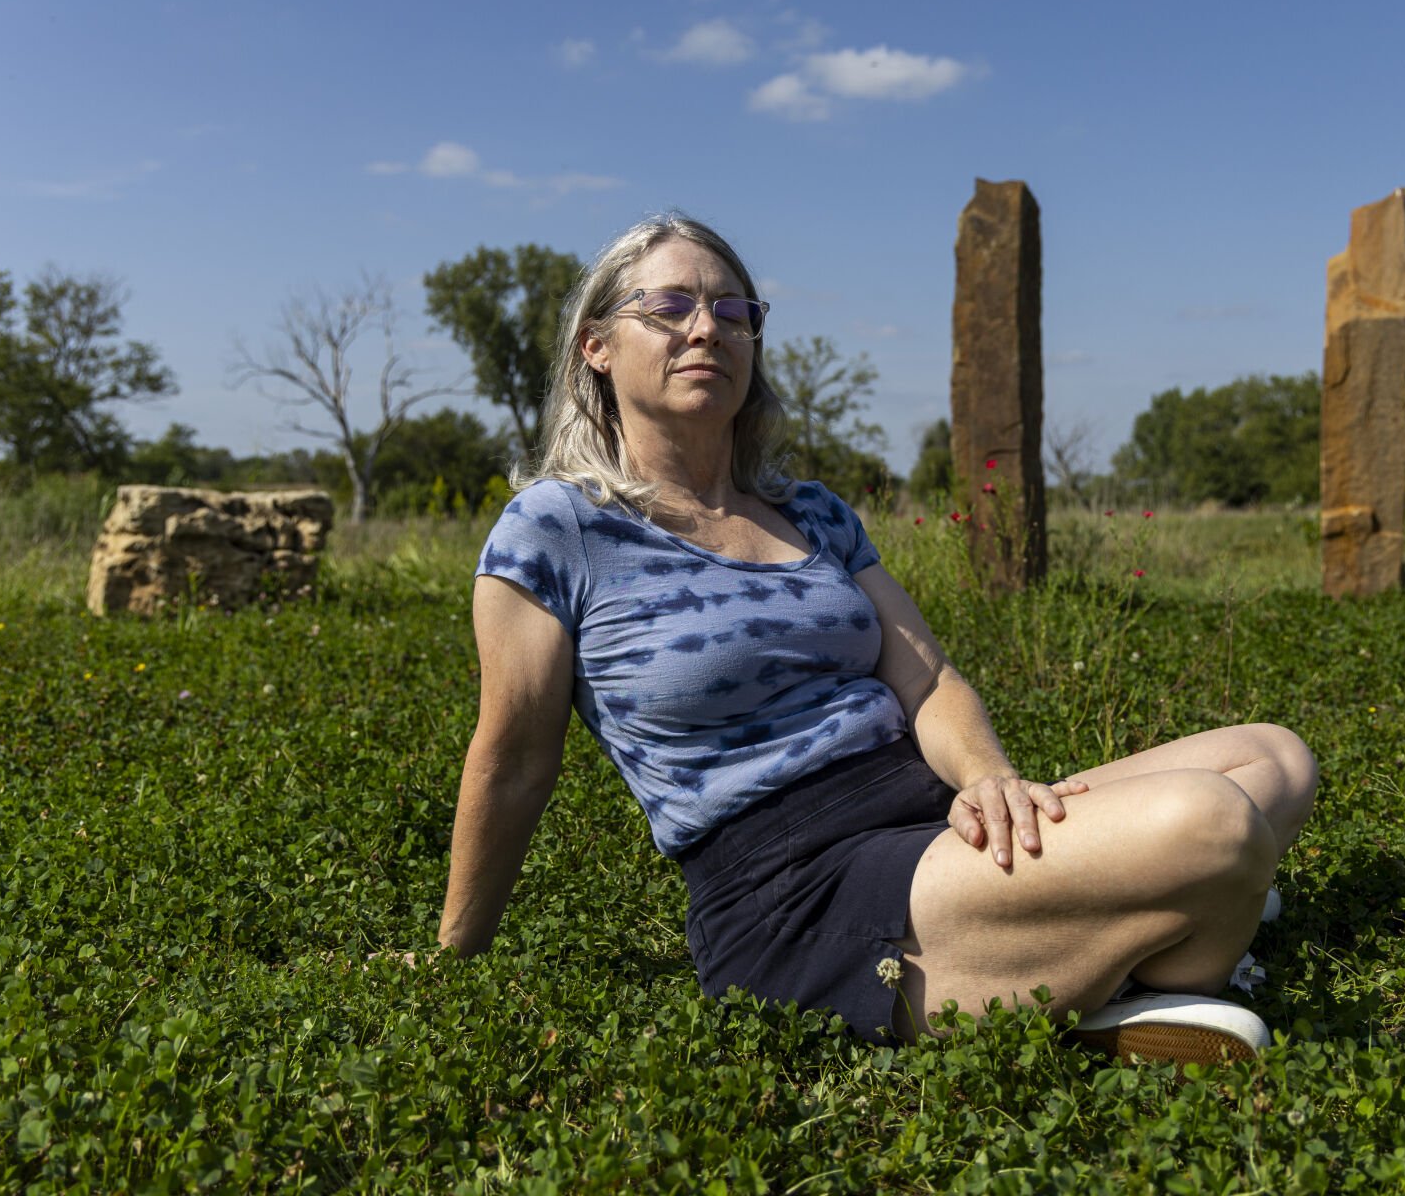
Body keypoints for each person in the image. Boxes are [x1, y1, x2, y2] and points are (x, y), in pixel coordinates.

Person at [437, 214, 1318, 1061]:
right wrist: (451, 960)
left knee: (1272, 762)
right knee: (1216, 826)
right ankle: (1143, 947)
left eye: (733, 311)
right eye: (668, 308)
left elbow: (927, 679)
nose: (707, 328)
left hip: (920, 808)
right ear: (596, 346)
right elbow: (512, 759)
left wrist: (988, 778)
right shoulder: (556, 528)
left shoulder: (811, 512)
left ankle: (1089, 960)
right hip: (792, 884)